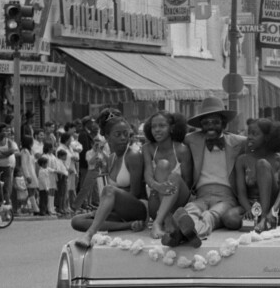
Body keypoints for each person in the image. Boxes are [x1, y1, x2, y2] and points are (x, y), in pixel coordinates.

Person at [165, 97, 247, 248]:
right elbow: (171, 138)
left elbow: (260, 148)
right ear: (200, 125)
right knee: (190, 210)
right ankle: (190, 233)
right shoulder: (192, 140)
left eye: (215, 122)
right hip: (201, 195)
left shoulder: (239, 142)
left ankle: (183, 234)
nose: (211, 126)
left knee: (211, 215)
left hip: (226, 197)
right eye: (206, 123)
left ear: (223, 123)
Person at [72, 109, 148, 248]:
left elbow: (135, 193)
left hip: (137, 207)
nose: (123, 138)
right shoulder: (111, 158)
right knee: (77, 221)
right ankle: (127, 225)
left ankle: (90, 233)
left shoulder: (133, 156)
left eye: (126, 134)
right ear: (107, 136)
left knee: (108, 190)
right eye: (118, 135)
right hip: (119, 210)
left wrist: (111, 206)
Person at [142, 111, 193, 239]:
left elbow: (187, 181)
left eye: (162, 126)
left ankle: (158, 222)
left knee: (175, 177)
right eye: (154, 127)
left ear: (172, 128)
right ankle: (165, 217)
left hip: (179, 200)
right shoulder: (147, 148)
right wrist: (158, 187)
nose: (157, 130)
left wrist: (169, 190)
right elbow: (147, 174)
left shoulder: (182, 150)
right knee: (163, 165)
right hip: (155, 202)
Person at [234, 118, 280, 232]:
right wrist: (249, 210)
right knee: (229, 218)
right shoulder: (242, 160)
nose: (249, 137)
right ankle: (264, 222)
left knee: (262, 164)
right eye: (248, 133)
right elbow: (241, 193)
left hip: (272, 207)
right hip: (252, 206)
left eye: (255, 134)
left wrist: (272, 212)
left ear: (267, 137)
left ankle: (265, 219)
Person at [0, 123, 18, 208]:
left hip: (7, 168)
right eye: (3, 131)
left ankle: (7, 207)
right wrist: (6, 154)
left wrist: (0, 154)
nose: (6, 132)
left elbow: (12, 151)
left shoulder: (8, 141)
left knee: (6, 188)